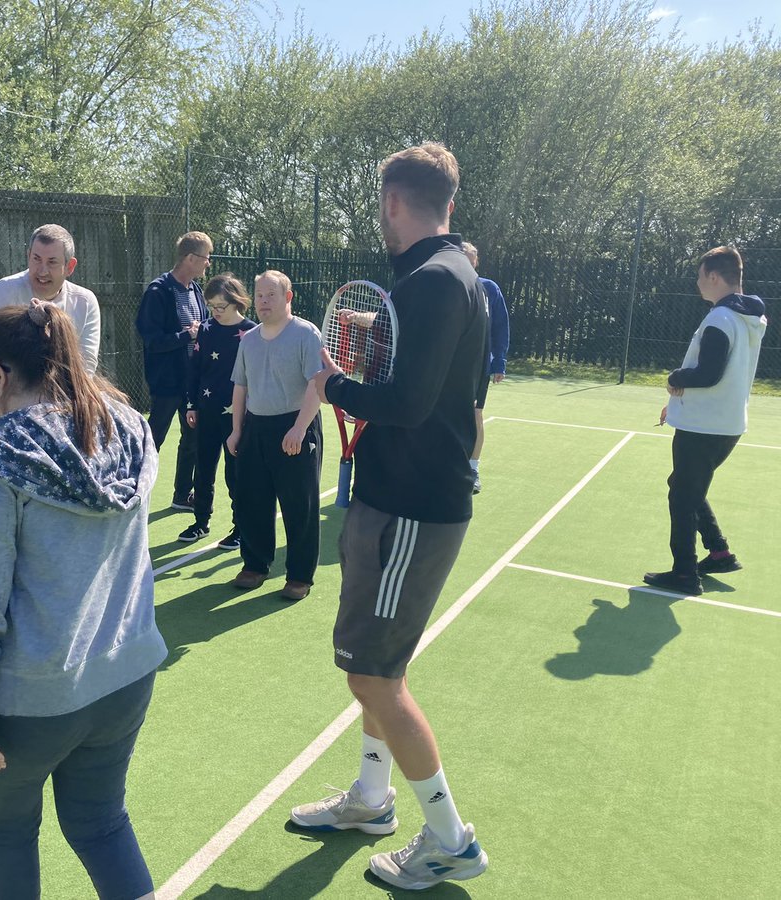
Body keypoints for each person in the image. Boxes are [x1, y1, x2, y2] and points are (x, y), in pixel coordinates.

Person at [300, 142, 490, 891]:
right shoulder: (449, 275)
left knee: (377, 678)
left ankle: (450, 839)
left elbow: (407, 404)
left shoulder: (435, 283)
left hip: (412, 510)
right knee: (377, 671)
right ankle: (372, 801)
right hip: (401, 502)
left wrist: (334, 385)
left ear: (392, 202)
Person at [0, 304, 166, 899]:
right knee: (102, 823)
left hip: (31, 699)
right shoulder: (129, 426)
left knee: (9, 836)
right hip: (127, 673)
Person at [645, 245, 766, 597]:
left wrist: (675, 377)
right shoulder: (751, 317)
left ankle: (685, 573)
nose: (697, 284)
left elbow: (709, 373)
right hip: (724, 422)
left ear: (714, 277)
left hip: (705, 424)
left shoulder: (720, 319)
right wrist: (677, 404)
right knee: (687, 487)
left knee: (682, 495)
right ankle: (719, 552)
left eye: (700, 277)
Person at [225, 270, 323, 601]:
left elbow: (316, 384)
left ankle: (299, 576)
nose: (264, 301)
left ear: (288, 297)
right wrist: (237, 430)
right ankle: (255, 565)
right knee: (252, 500)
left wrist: (299, 428)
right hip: (256, 428)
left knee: (300, 506)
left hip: (295, 426)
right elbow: (241, 386)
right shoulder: (249, 339)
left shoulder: (306, 334)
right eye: (260, 295)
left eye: (271, 294)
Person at [136, 231, 211, 511]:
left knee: (192, 438)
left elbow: (201, 331)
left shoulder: (196, 290)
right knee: (153, 441)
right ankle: (136, 498)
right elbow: (152, 340)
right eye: (205, 258)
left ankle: (182, 495)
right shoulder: (158, 292)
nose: (208, 263)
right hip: (167, 382)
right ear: (190, 258)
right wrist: (185, 336)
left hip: (193, 381)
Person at [179, 273, 255, 548]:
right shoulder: (207, 329)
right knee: (204, 469)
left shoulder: (252, 332)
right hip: (207, 412)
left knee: (235, 474)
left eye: (221, 306)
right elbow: (195, 370)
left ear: (237, 302)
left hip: (238, 416)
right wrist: (192, 405)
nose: (215, 312)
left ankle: (241, 528)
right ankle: (201, 522)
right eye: (211, 306)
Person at [0, 224, 100, 373]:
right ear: (28, 256)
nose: (42, 271)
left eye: (52, 262)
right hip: (9, 391)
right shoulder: (5, 291)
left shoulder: (85, 302)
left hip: (65, 392)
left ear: (70, 266)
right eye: (36, 259)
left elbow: (86, 367)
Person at [461, 241, 509, 494]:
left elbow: (501, 327)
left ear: (476, 262)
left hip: (479, 366)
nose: (466, 265)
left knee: (475, 416)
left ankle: (472, 469)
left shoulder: (490, 289)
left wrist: (498, 361)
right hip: (450, 366)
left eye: (470, 260)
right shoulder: (449, 289)